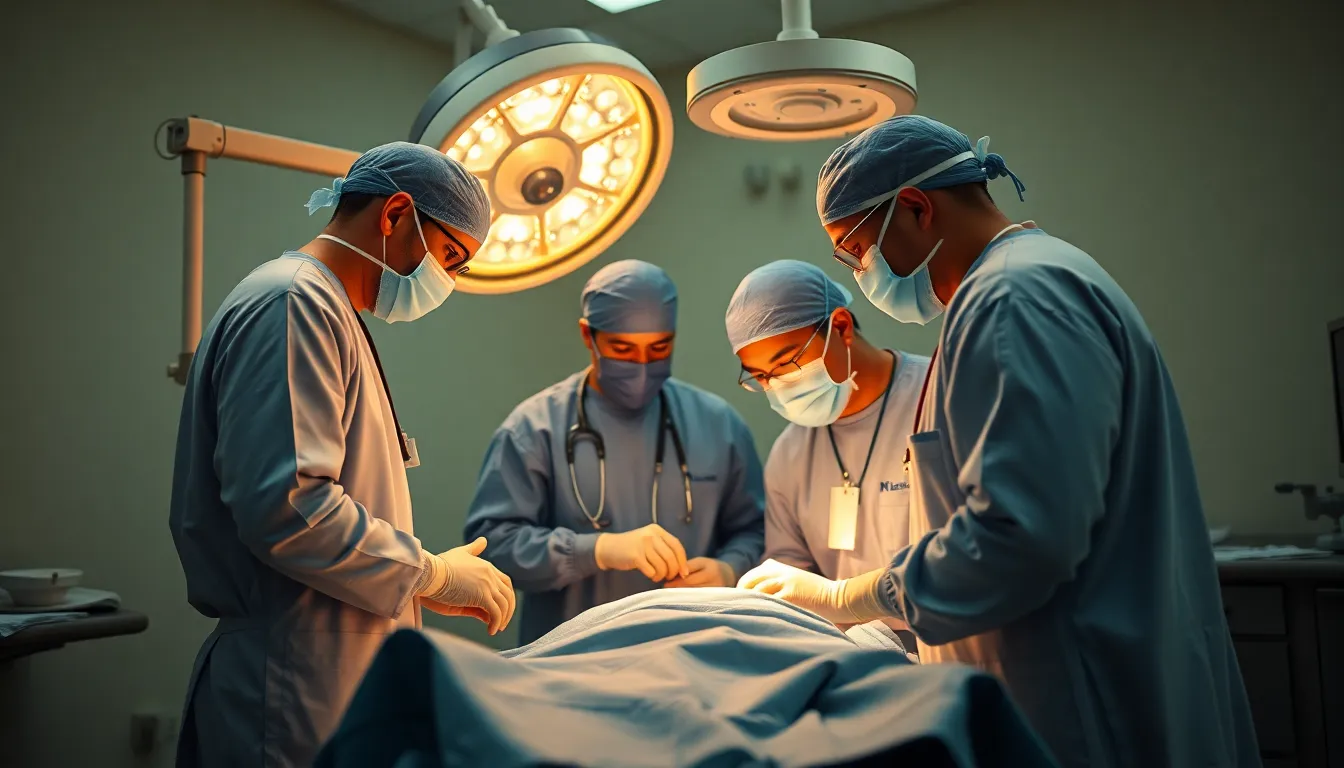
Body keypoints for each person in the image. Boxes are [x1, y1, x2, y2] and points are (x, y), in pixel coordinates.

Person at [737, 116, 1258, 767]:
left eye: (856, 250)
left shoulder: (1014, 299)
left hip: (1082, 707)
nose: (860, 271)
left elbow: (1020, 539)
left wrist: (852, 597)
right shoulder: (1021, 286)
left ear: (917, 208)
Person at [169, 142, 517, 768]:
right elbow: (290, 509)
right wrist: (428, 574)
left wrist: (422, 577)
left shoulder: (324, 308)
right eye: (451, 258)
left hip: (321, 674)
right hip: (289, 689)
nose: (449, 282)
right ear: (395, 215)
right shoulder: (293, 303)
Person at [464, 260, 766, 645]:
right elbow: (494, 548)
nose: (642, 367)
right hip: (573, 660)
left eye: (659, 349)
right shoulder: (533, 429)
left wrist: (730, 568)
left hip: (693, 653)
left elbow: (755, 531)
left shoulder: (718, 425)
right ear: (588, 336)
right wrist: (596, 550)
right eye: (623, 349)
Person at [724, 260, 929, 636]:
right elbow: (789, 571)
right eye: (760, 377)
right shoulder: (790, 454)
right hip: (855, 660)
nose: (777, 385)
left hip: (953, 648)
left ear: (841, 327)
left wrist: (843, 597)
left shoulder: (938, 398)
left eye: (786, 363)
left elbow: (976, 553)